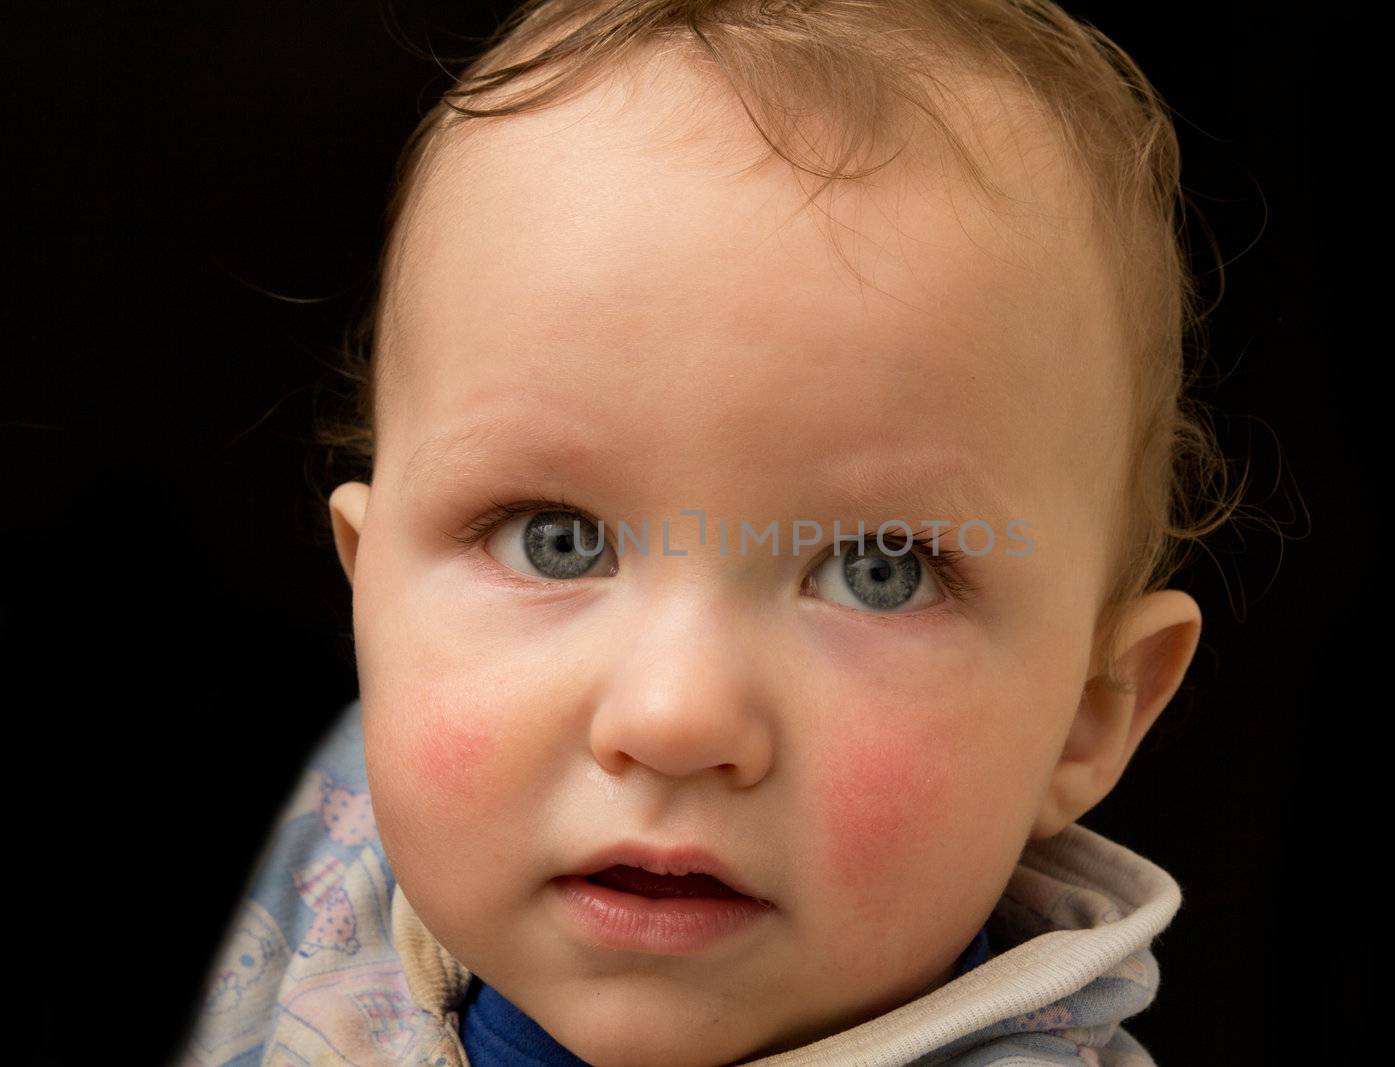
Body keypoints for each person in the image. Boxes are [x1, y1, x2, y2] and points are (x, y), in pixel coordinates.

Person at [179, 1, 1244, 1063]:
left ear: (1088, 715)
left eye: (878, 572)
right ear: (373, 602)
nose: (674, 715)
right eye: (556, 539)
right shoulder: (326, 864)